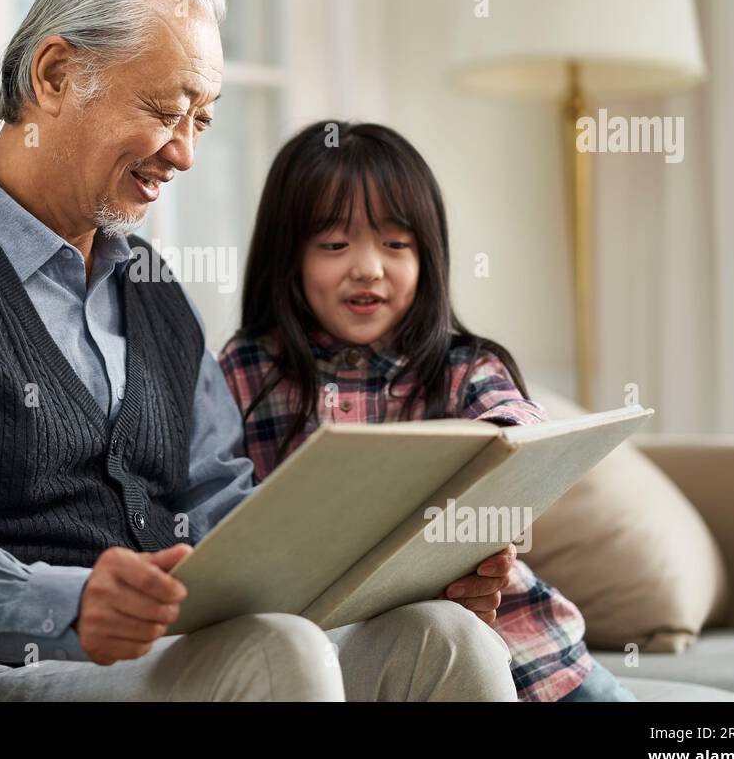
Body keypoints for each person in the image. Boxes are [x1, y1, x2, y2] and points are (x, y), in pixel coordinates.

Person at [0, 0, 520, 701]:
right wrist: (72, 603)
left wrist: (399, 570)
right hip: (5, 671)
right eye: (164, 111)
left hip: (179, 653)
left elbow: (220, 505)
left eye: (202, 121)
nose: (183, 153)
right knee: (278, 654)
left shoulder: (152, 288)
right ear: (54, 76)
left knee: (443, 640)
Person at [217, 120, 637, 701]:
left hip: (531, 652)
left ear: (427, 254)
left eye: (396, 244)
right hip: (366, 661)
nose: (368, 267)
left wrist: (496, 461)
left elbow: (521, 433)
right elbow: (217, 510)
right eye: (335, 245)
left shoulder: (462, 365)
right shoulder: (246, 372)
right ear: (288, 258)